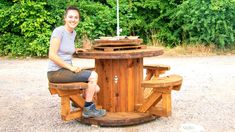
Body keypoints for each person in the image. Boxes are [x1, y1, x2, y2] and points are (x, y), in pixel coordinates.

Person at [47, 6, 106, 118]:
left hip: (65, 71)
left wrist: (76, 50)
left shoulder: (73, 33)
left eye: (76, 17)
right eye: (70, 17)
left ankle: (77, 101)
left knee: (96, 88)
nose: (73, 20)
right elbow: (52, 55)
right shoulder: (59, 31)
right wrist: (71, 68)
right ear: (65, 18)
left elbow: (64, 49)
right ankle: (88, 109)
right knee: (93, 76)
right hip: (56, 72)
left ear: (78, 20)